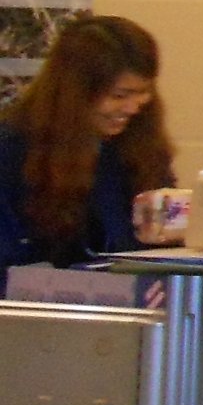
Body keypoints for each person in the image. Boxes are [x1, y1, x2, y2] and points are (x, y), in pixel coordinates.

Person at [0, 15, 176, 274]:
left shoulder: (138, 148)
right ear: (75, 94)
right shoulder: (11, 152)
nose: (132, 108)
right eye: (119, 95)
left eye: (143, 92)